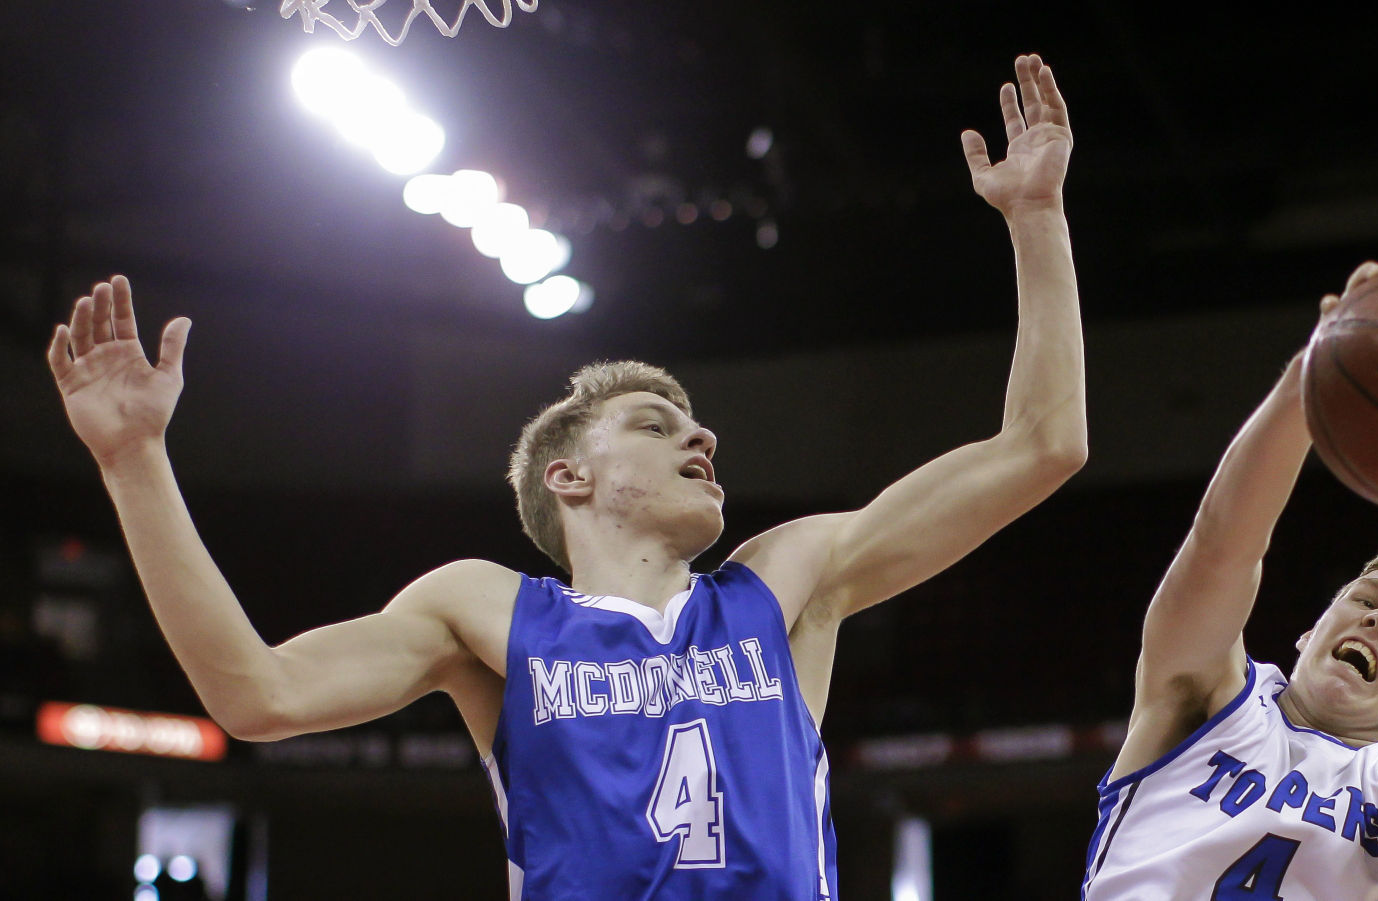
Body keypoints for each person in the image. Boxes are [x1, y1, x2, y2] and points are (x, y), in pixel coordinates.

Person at [47, 54, 1085, 900]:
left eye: (698, 423)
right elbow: (256, 694)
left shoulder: (786, 581)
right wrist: (135, 462)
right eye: (656, 422)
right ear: (570, 476)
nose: (703, 439)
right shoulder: (489, 613)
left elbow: (1042, 445)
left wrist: (1035, 218)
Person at [1080, 253, 1378, 901]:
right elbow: (1221, 547)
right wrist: (1311, 375)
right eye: (1366, 598)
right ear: (1309, 631)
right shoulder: (1205, 699)